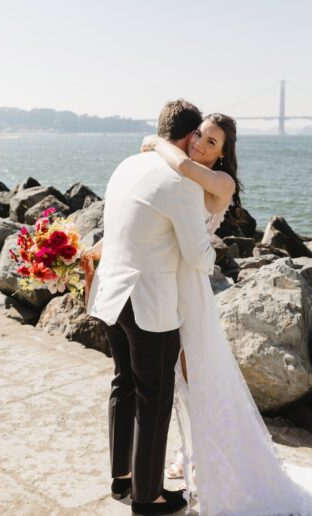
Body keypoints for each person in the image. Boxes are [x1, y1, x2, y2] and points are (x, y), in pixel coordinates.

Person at [139, 114, 312, 515]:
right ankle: (192, 452)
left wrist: (153, 140)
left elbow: (181, 165)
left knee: (197, 373)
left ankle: (217, 465)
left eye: (212, 142)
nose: (200, 144)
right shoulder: (187, 172)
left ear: (223, 154)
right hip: (168, 282)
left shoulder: (219, 182)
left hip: (190, 288)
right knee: (178, 378)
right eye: (199, 135)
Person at [81, 99, 216, 515]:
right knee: (154, 399)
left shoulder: (126, 166)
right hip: (149, 305)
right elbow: (198, 258)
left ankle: (121, 479)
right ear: (191, 137)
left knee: (124, 385)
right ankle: (148, 498)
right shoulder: (181, 183)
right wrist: (211, 251)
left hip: (112, 294)